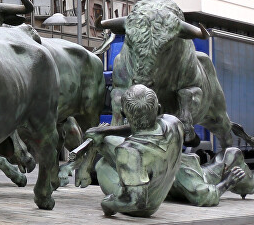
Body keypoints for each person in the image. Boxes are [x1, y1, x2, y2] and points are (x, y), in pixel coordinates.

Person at [73, 84, 246, 216]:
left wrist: (108, 205)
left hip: (146, 205)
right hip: (161, 176)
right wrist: (105, 131)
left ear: (126, 114)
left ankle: (90, 167)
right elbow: (141, 127)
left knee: (102, 166)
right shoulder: (173, 123)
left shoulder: (129, 151)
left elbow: (136, 201)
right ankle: (90, 162)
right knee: (104, 144)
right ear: (158, 108)